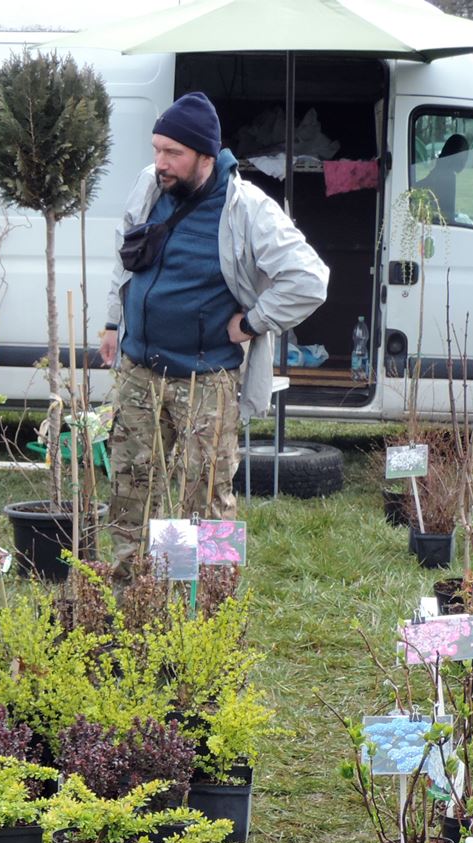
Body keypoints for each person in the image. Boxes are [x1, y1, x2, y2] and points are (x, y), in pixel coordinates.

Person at [101, 91, 329, 565]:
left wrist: (252, 322)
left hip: (204, 381)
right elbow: (127, 251)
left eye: (173, 153)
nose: (160, 163)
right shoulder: (150, 185)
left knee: (204, 500)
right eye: (157, 149)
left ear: (206, 156)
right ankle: (135, 598)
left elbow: (310, 279)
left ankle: (208, 604)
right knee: (130, 495)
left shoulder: (247, 209)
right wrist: (111, 320)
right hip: (139, 370)